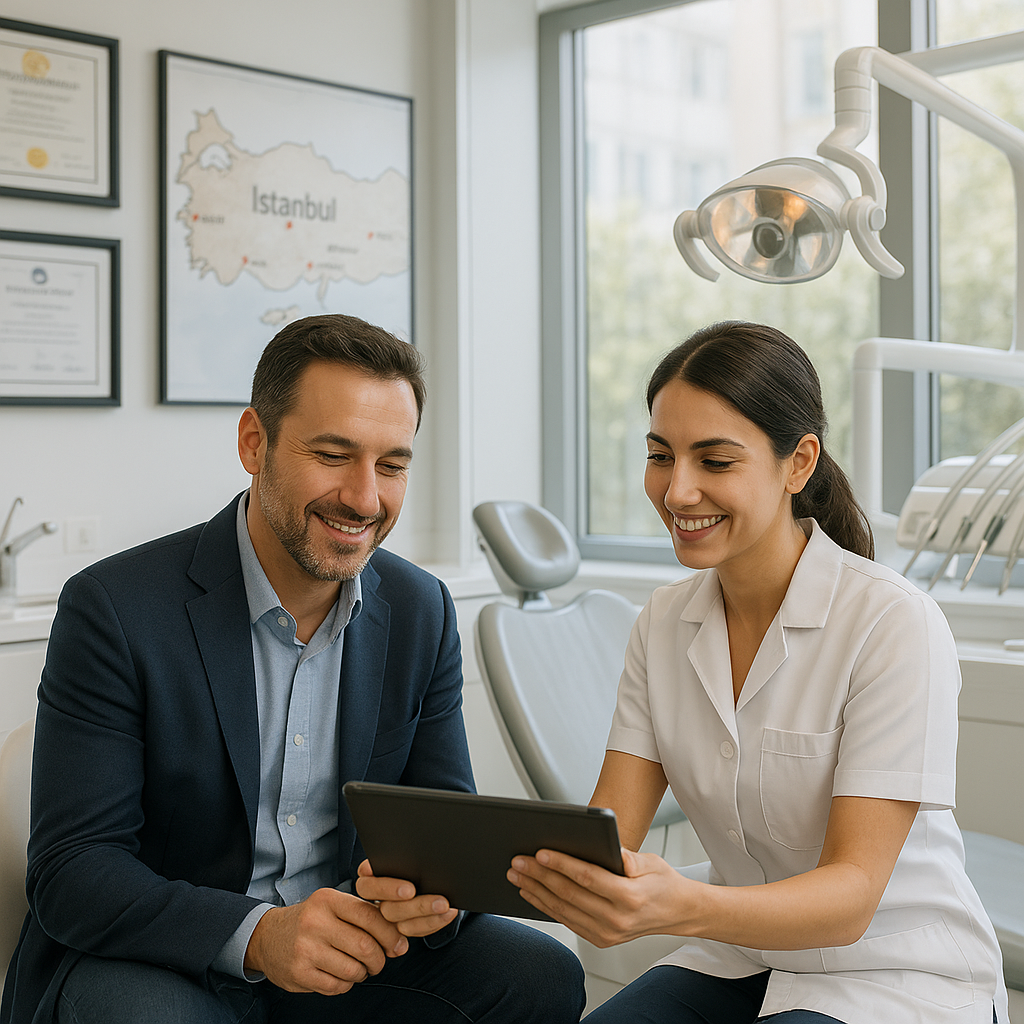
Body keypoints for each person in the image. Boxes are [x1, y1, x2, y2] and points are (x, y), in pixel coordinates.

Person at [0, 314, 585, 1024]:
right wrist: (261, 936)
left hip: (347, 950)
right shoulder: (114, 608)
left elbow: (439, 832)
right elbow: (74, 874)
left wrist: (432, 897)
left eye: (392, 464)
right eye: (334, 454)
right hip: (165, 958)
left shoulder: (420, 607)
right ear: (255, 443)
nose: (365, 499)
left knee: (539, 974)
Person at [507, 321, 1008, 1023]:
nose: (678, 491)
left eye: (714, 462)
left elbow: (852, 897)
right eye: (661, 455)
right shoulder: (661, 622)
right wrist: (467, 873)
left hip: (892, 968)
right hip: (741, 952)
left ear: (798, 463)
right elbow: (608, 833)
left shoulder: (893, 624)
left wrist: (683, 904)